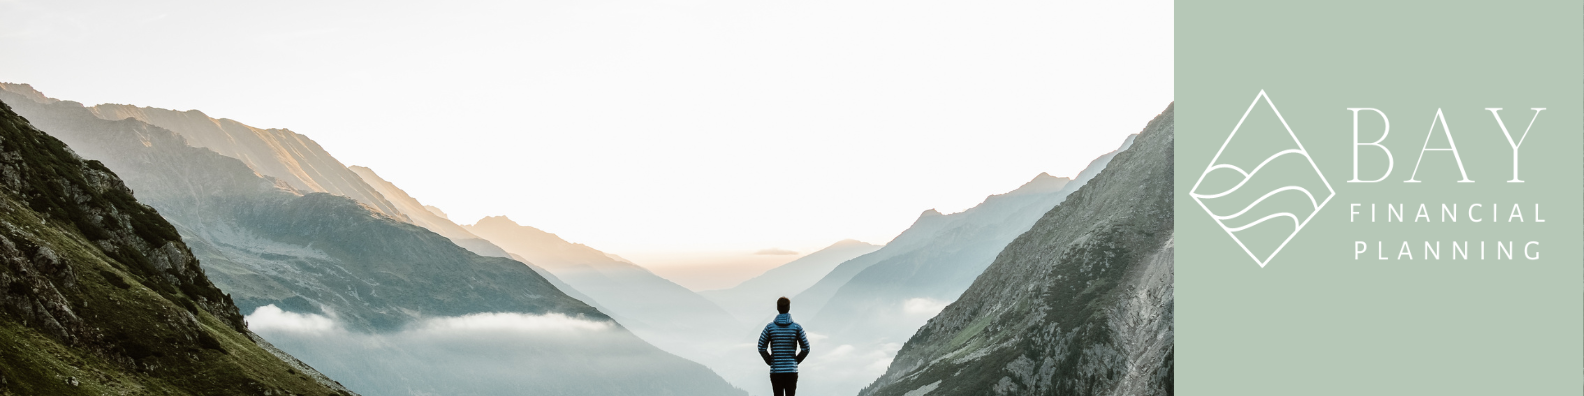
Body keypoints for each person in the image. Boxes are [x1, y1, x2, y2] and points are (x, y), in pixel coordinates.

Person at [758, 296, 810, 396]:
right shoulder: (796, 327)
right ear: (789, 308)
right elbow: (806, 348)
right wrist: (795, 361)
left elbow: (761, 347)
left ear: (778, 308)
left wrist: (770, 360)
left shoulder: (769, 328)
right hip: (791, 370)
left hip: (776, 370)